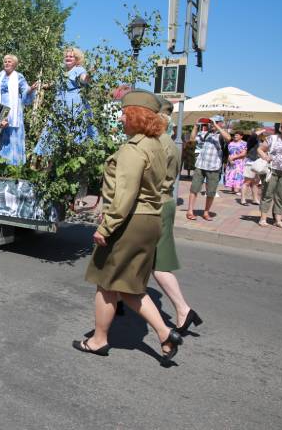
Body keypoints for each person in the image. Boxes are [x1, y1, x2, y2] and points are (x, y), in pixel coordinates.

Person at [73, 90, 183, 366]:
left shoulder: (134, 149)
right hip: (149, 219)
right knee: (130, 287)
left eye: (124, 113)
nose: (121, 117)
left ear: (136, 116)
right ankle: (165, 333)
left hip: (128, 221)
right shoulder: (158, 144)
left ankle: (99, 340)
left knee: (106, 283)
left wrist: (106, 227)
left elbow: (125, 194)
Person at [152, 96, 203, 335]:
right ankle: (120, 300)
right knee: (145, 261)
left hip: (155, 205)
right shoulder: (168, 141)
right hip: (163, 202)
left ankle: (183, 310)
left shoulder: (158, 143)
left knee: (157, 263)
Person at [34, 47, 93, 156]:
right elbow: (56, 83)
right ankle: (46, 157)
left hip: (73, 104)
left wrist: (89, 76)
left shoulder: (79, 69)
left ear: (76, 59)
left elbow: (84, 79)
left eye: (71, 56)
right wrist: (43, 85)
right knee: (53, 128)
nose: (68, 58)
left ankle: (73, 155)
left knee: (74, 129)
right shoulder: (62, 71)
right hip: (59, 104)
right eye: (67, 56)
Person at [0, 55, 37, 165]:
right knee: (0, 133)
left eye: (9, 61)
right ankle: (0, 164)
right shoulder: (0, 75)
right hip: (0, 107)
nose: (6, 63)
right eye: (5, 61)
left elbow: (25, 91)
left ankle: (14, 165)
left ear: (14, 64)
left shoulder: (19, 76)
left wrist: (31, 89)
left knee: (12, 135)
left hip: (14, 109)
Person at [186, 115, 231, 221]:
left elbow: (228, 138)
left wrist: (217, 126)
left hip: (214, 167)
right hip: (200, 166)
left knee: (211, 192)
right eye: (211, 122)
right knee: (194, 189)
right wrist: (196, 127)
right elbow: (192, 139)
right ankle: (190, 211)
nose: (212, 124)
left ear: (221, 123)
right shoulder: (205, 134)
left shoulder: (221, 135)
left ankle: (206, 212)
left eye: (215, 122)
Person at [257, 120, 282, 228]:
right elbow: (260, 149)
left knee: (281, 196)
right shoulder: (273, 138)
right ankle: (263, 218)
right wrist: (265, 157)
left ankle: (278, 220)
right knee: (267, 194)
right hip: (272, 170)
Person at [240, 128, 266, 205]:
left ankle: (255, 199)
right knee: (247, 182)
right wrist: (261, 130)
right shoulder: (251, 140)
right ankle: (243, 199)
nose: (260, 134)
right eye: (259, 132)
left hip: (259, 164)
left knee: (255, 183)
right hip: (251, 163)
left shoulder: (261, 141)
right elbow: (253, 136)